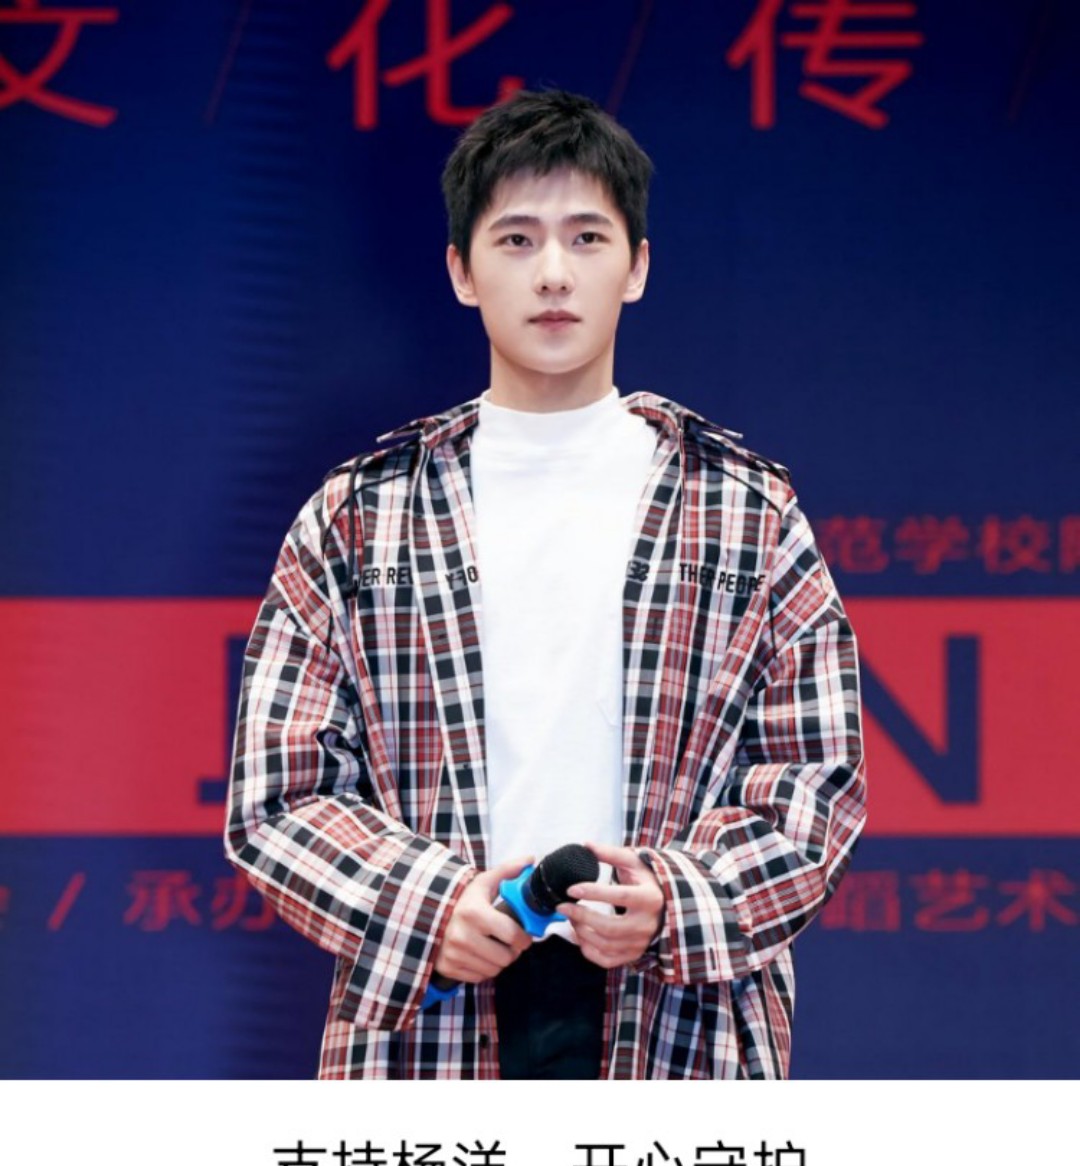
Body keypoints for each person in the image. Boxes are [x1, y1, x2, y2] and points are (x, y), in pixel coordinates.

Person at [224, 89, 866, 1079]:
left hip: (676, 1024)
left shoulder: (746, 509)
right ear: (461, 270)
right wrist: (428, 905)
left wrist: (675, 900)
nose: (555, 273)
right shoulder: (360, 513)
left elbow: (815, 782)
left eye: (587, 237)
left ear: (637, 265)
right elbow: (279, 793)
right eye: (517, 239)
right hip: (433, 1024)